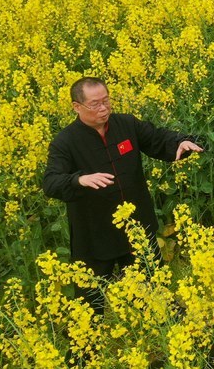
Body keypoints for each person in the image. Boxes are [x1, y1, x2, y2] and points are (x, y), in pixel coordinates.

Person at [43, 77, 203, 313]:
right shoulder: (65, 142)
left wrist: (182, 142)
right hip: (94, 234)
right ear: (76, 107)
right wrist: (78, 179)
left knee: (156, 291)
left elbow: (158, 138)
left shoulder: (126, 125)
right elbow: (51, 182)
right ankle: (86, 348)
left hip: (137, 227)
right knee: (88, 304)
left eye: (106, 101)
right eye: (95, 104)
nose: (104, 108)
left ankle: (187, 340)